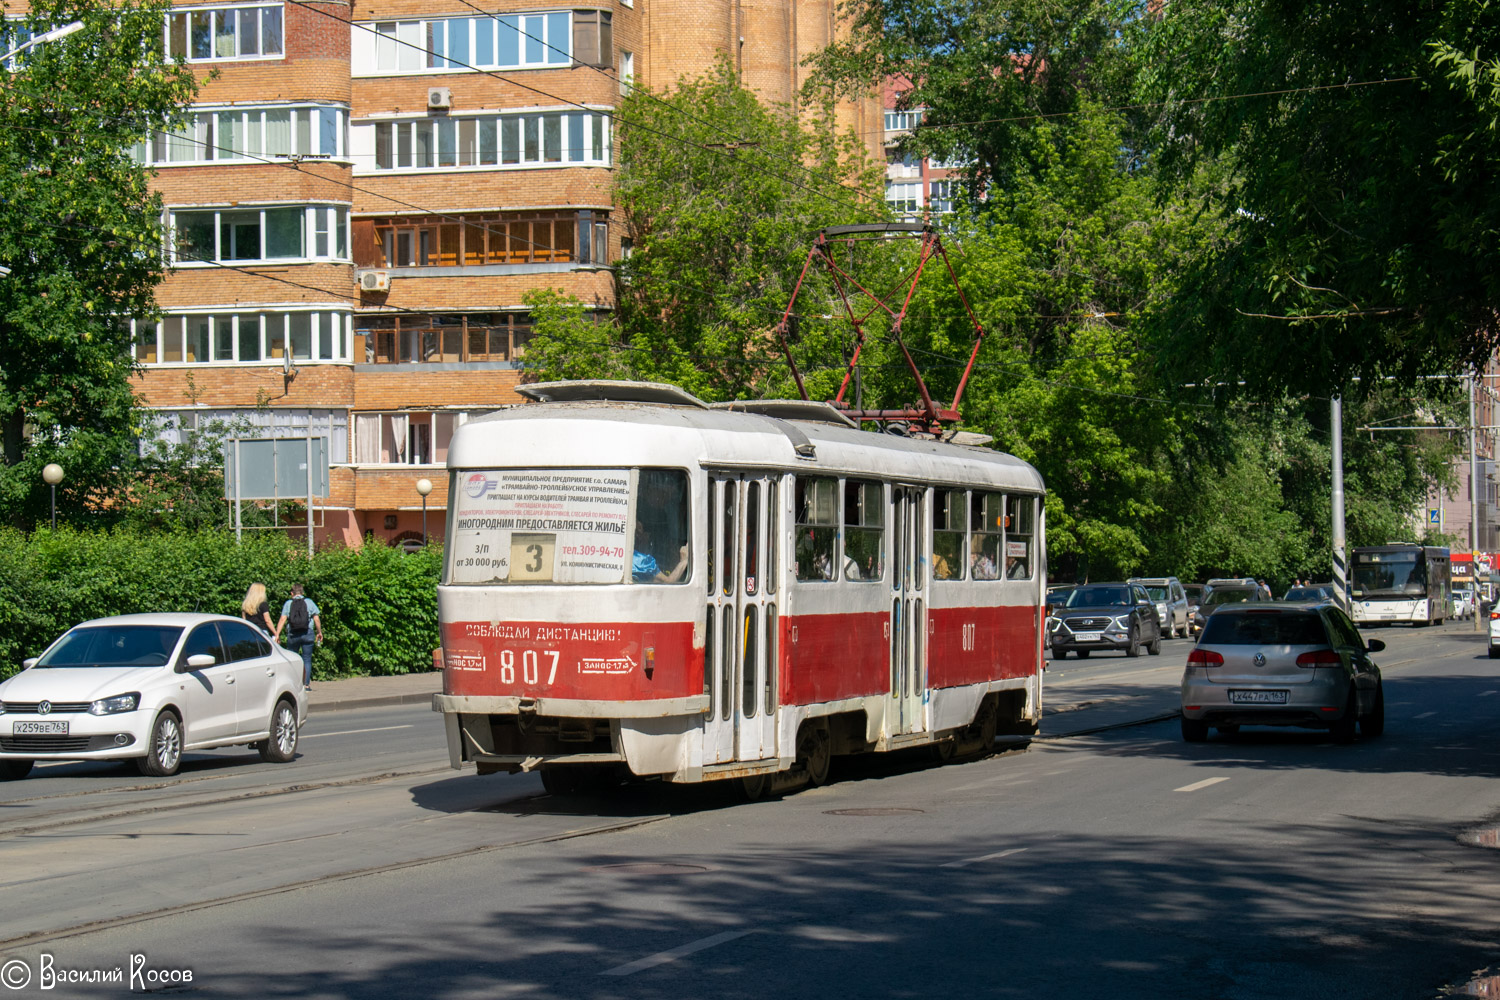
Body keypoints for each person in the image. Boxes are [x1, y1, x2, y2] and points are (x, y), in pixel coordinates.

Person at [275, 583, 323, 688]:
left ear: (292, 593)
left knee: (292, 659)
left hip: (293, 634)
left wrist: (277, 634)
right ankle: (306, 685)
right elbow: (316, 619)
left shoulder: (288, 604)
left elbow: (283, 619)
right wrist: (319, 632)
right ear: (302, 592)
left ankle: (293, 684)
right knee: (307, 659)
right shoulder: (309, 602)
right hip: (307, 633)